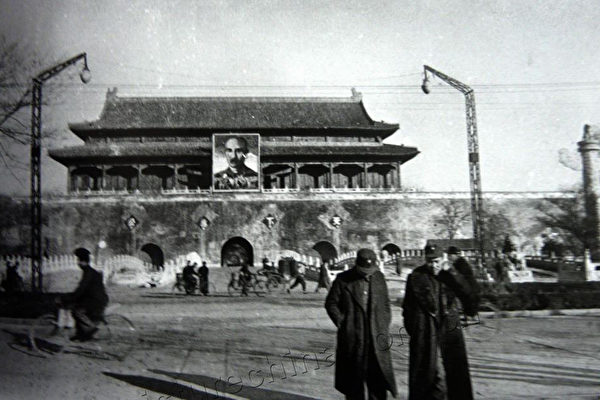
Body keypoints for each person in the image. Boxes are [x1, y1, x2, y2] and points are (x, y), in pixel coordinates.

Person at [402, 244, 480, 400]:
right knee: (433, 375)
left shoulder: (450, 275)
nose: (433, 265)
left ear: (443, 259)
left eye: (436, 261)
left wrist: (452, 273)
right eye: (429, 261)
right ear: (425, 260)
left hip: (449, 330)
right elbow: (407, 308)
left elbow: (469, 294)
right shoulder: (416, 277)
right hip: (426, 331)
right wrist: (417, 330)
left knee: (454, 374)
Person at [325, 249, 397, 400]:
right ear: (356, 265)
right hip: (353, 337)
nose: (367, 274)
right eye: (363, 271)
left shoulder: (379, 278)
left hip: (376, 337)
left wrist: (383, 324)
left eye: (369, 271)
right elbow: (331, 303)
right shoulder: (343, 279)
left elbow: (385, 304)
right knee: (353, 383)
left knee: (377, 380)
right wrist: (342, 322)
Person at [61, 248, 109, 342]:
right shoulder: (89, 271)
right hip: (94, 299)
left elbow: (81, 289)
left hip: (97, 301)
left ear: (84, 261)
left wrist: (71, 297)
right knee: (75, 307)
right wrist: (72, 297)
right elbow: (83, 289)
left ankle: (91, 328)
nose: (78, 263)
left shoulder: (89, 273)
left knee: (77, 312)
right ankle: (80, 334)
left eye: (79, 260)